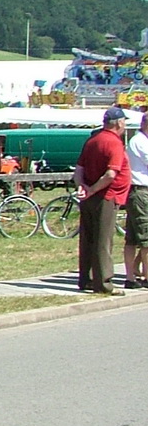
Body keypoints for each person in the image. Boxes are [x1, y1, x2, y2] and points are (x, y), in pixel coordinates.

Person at [75, 105, 131, 295]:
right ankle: (103, 283)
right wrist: (91, 189)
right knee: (103, 240)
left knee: (88, 238)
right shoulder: (114, 142)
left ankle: (86, 279)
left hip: (90, 196)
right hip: (105, 196)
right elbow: (110, 174)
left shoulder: (92, 140)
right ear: (119, 123)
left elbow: (78, 170)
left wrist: (81, 186)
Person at [124, 108, 148, 288]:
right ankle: (143, 276)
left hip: (138, 191)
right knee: (145, 238)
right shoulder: (140, 141)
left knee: (134, 238)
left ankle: (132, 274)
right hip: (141, 191)